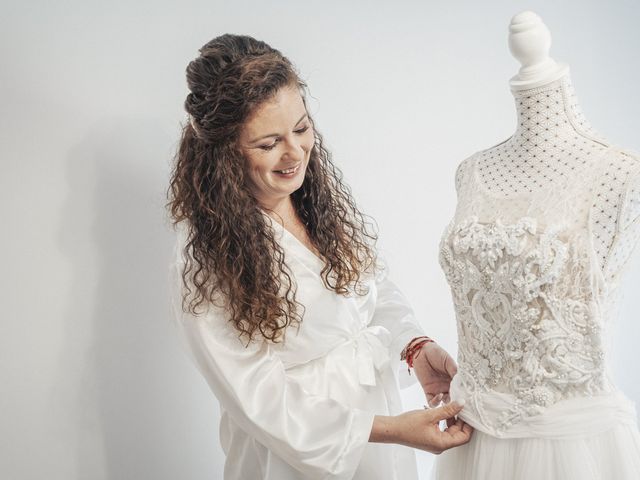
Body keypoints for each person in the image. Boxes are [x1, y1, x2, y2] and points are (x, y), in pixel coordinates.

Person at [166, 33, 472, 480]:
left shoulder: (311, 202)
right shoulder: (206, 255)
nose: (295, 153)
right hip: (291, 458)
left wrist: (413, 345)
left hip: (374, 436)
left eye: (302, 128)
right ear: (224, 152)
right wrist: (390, 430)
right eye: (268, 143)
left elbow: (369, 290)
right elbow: (257, 397)